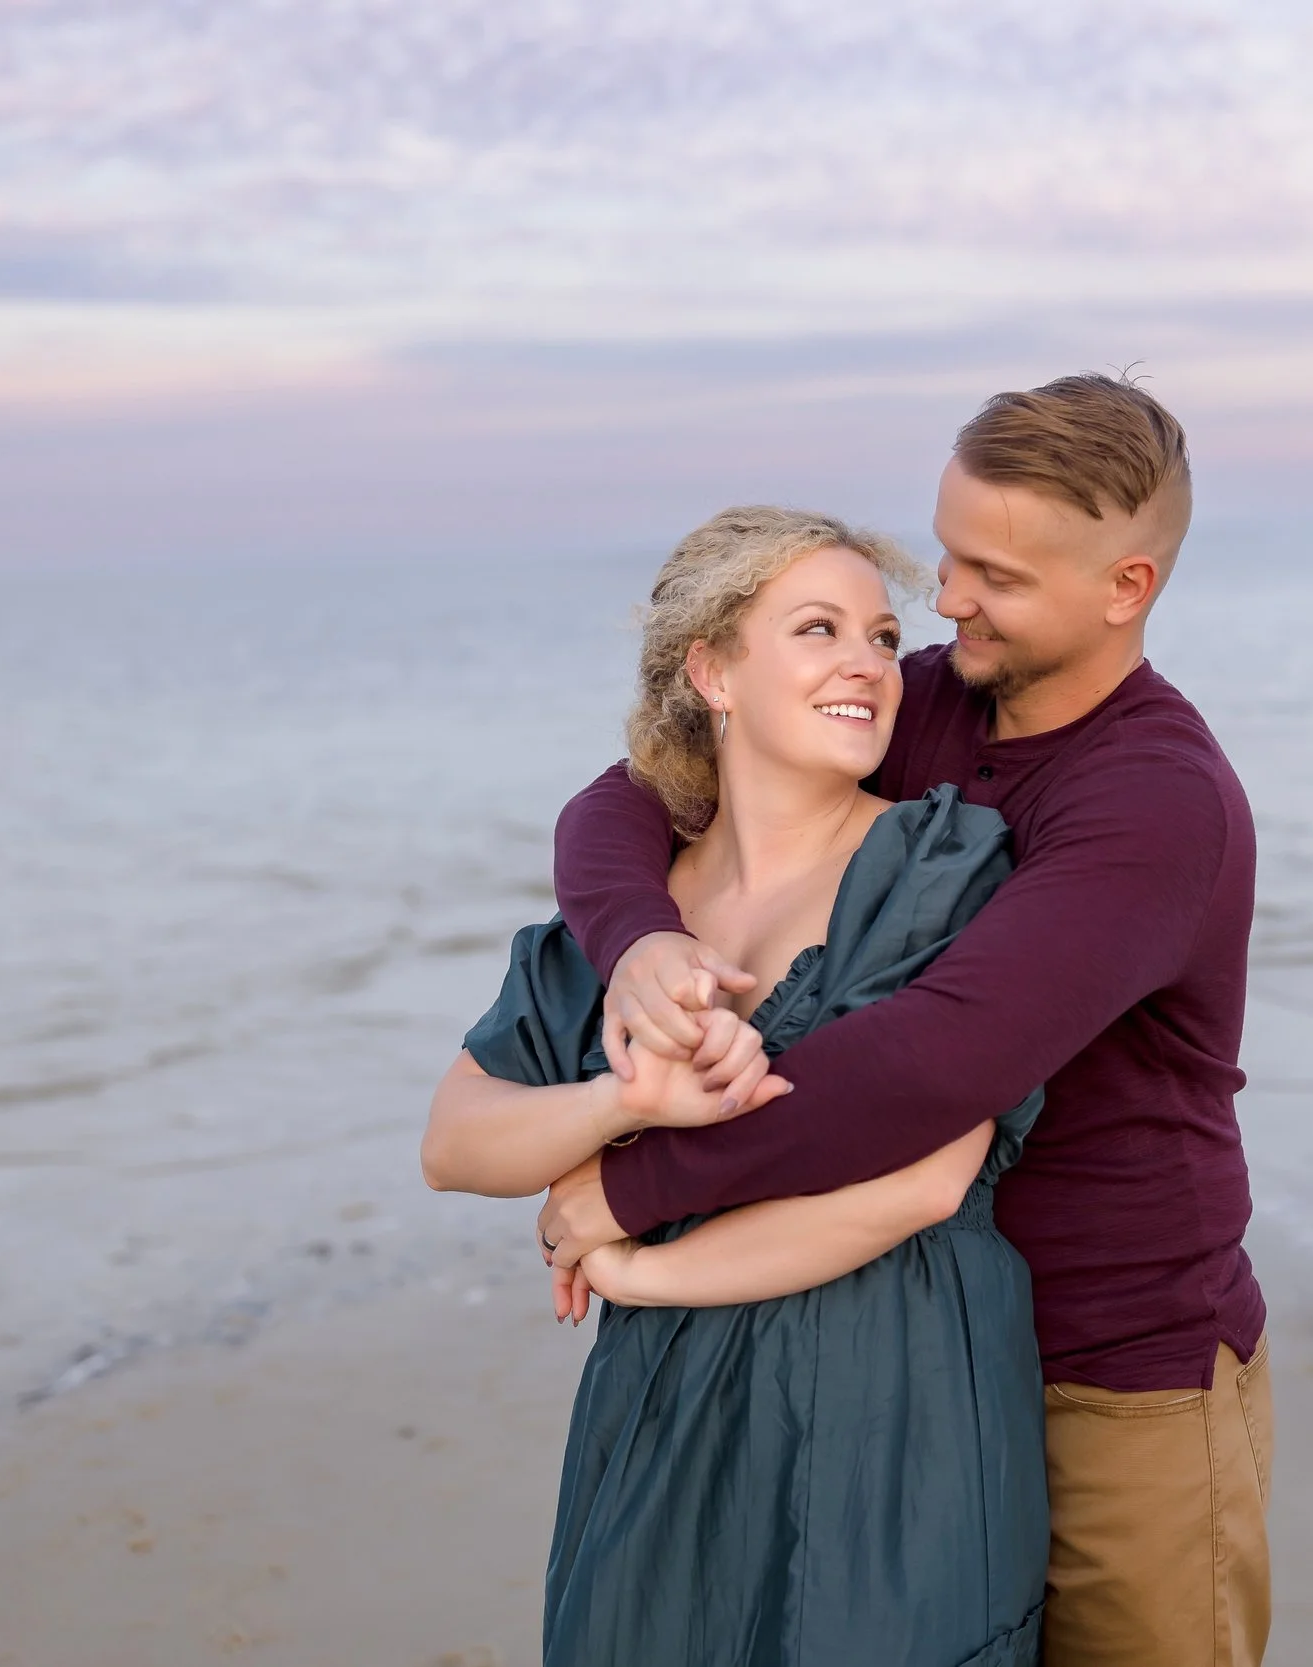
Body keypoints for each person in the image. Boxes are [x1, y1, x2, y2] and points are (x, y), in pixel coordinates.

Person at [538, 374, 1273, 1667]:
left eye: (994, 573)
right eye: (946, 551)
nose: (946, 599)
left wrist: (634, 1182)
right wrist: (639, 935)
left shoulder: (1156, 800)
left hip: (1111, 1370)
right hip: (911, 1344)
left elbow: (932, 1061)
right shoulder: (917, 700)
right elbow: (633, 791)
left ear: (1127, 585)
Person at [420, 507, 1048, 1667]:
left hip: (893, 1402)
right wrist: (625, 1105)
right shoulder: (630, 919)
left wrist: (636, 1266)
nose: (870, 662)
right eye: (818, 628)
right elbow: (456, 1141)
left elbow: (922, 1182)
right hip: (661, 1419)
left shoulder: (944, 868)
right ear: (710, 669)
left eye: (879, 632)